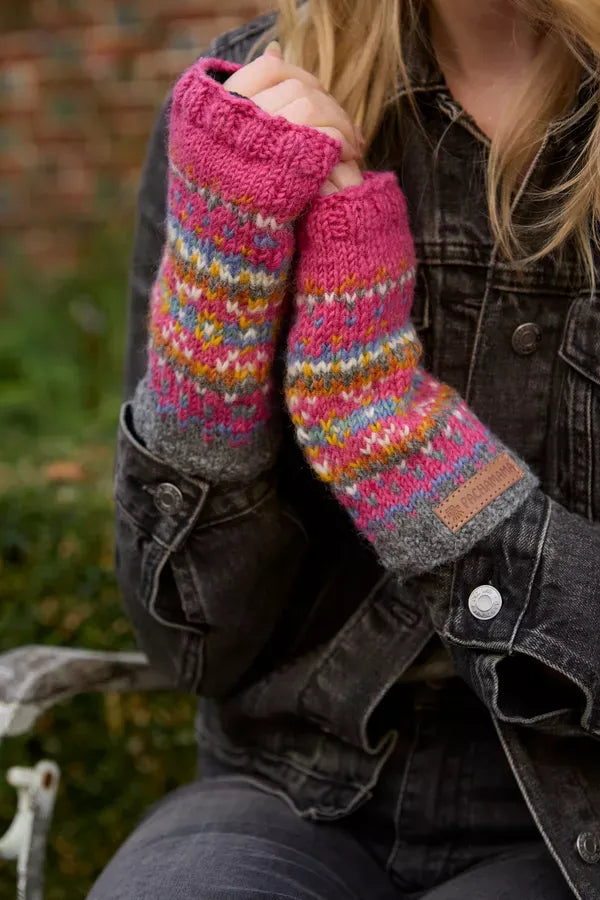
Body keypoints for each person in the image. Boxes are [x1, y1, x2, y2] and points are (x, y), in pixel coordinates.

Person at [88, 1, 600, 897]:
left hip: (570, 815)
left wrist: (385, 429)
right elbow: (191, 646)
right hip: (286, 788)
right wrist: (218, 294)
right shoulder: (249, 95)